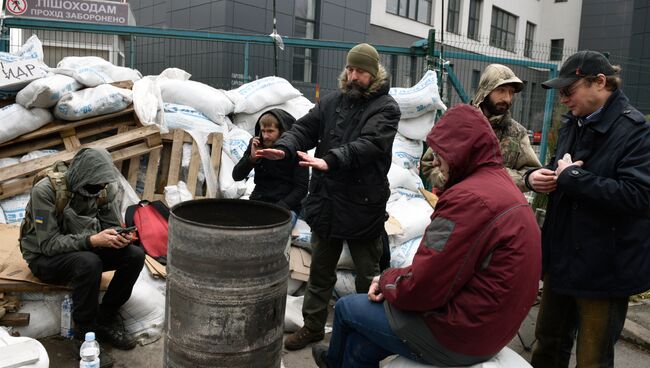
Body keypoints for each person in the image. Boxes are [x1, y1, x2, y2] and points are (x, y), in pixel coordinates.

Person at [311, 104, 542, 367]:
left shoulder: (466, 200)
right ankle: (345, 359)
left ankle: (333, 362)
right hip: (494, 327)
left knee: (346, 309)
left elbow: (425, 287)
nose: (438, 162)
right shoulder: (501, 184)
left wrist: (387, 279)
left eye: (442, 153)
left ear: (460, 151)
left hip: (459, 335)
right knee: (361, 344)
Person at [256, 43, 400, 351]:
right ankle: (312, 327)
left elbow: (371, 144)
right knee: (319, 272)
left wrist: (330, 160)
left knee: (366, 277)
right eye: (350, 69)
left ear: (373, 73)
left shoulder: (386, 108)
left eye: (360, 71)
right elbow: (304, 129)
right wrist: (283, 148)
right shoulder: (332, 102)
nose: (353, 75)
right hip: (326, 201)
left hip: (362, 205)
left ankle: (366, 334)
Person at [525, 51, 650, 367]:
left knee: (592, 360)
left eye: (570, 90)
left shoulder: (635, 131)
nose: (564, 98)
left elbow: (638, 196)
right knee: (547, 347)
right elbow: (561, 169)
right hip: (562, 258)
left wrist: (574, 178)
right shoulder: (573, 123)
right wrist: (536, 177)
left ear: (600, 82)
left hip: (604, 269)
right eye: (561, 92)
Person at [19, 148, 145, 366]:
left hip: (83, 249)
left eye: (101, 187)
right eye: (92, 187)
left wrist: (118, 238)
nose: (97, 191)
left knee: (134, 255)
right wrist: (92, 241)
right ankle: (84, 335)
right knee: (89, 262)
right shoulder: (46, 191)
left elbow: (110, 225)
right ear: (81, 176)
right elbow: (48, 244)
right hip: (45, 259)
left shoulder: (104, 189)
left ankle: (105, 319)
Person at [421, 63, 541, 191]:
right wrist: (450, 181)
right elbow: (428, 163)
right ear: (486, 90)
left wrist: (495, 178)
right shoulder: (457, 123)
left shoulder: (517, 133)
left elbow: (530, 173)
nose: (507, 98)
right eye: (501, 90)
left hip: (497, 206)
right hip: (457, 202)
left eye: (511, 93)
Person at [232, 108, 309, 223]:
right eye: (263, 131)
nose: (266, 136)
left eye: (270, 131)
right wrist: (252, 159)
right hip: (260, 200)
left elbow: (301, 189)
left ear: (282, 131)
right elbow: (236, 176)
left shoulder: (297, 148)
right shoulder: (256, 144)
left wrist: (280, 207)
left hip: (286, 205)